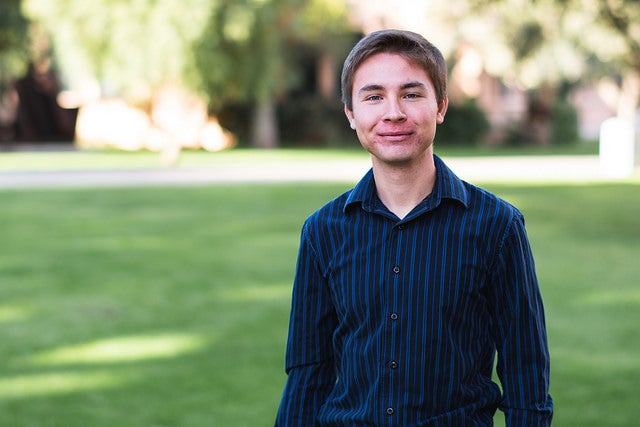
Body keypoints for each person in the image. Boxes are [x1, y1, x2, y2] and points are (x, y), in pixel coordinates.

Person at [275, 29, 553, 426]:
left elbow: (526, 374)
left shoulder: (497, 226)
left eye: (411, 94)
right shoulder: (323, 231)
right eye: (373, 97)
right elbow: (308, 374)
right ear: (351, 113)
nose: (393, 113)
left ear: (440, 105)